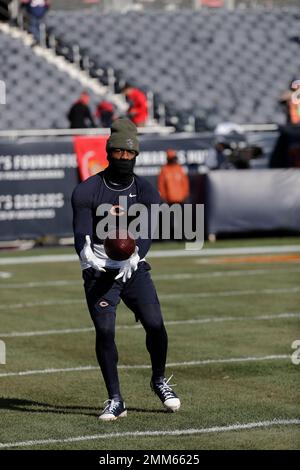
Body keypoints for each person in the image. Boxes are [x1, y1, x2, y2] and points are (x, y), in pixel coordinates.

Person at [71, 118, 180, 421]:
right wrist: (85, 254)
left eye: (128, 153)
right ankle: (115, 399)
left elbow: (146, 233)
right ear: (109, 152)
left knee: (156, 324)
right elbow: (81, 231)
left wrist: (136, 255)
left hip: (133, 269)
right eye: (118, 152)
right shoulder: (87, 190)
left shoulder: (146, 191)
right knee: (105, 331)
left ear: (136, 155)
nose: (123, 157)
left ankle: (159, 380)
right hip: (100, 270)